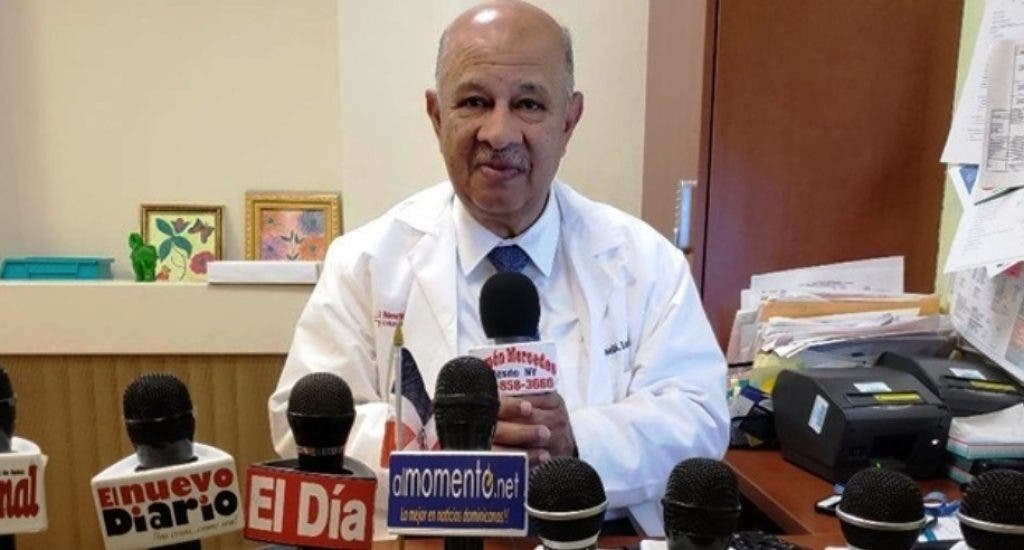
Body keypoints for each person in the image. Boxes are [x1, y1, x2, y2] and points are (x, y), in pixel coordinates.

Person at [268, 0, 729, 536]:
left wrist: (574, 441)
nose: (499, 132)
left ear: (569, 120)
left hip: (595, 538)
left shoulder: (644, 263)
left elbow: (700, 415)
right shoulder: (365, 262)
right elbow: (302, 422)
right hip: (424, 541)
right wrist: (449, 449)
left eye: (529, 104)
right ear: (436, 116)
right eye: (475, 102)